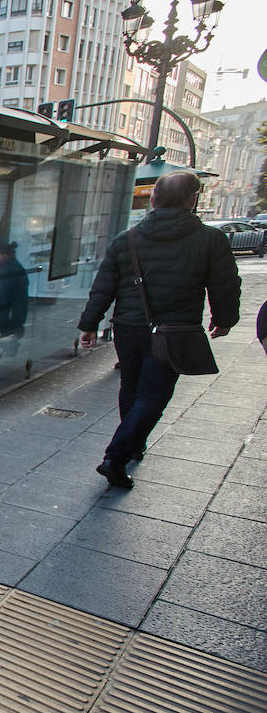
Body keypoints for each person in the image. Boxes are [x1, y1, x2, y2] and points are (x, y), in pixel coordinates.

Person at [78, 170, 239, 489]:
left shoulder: (128, 239)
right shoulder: (210, 240)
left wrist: (89, 324)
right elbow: (224, 284)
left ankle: (131, 441)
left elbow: (103, 287)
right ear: (192, 201)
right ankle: (118, 455)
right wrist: (224, 318)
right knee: (154, 393)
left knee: (132, 386)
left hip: (129, 326)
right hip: (174, 330)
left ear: (153, 199)